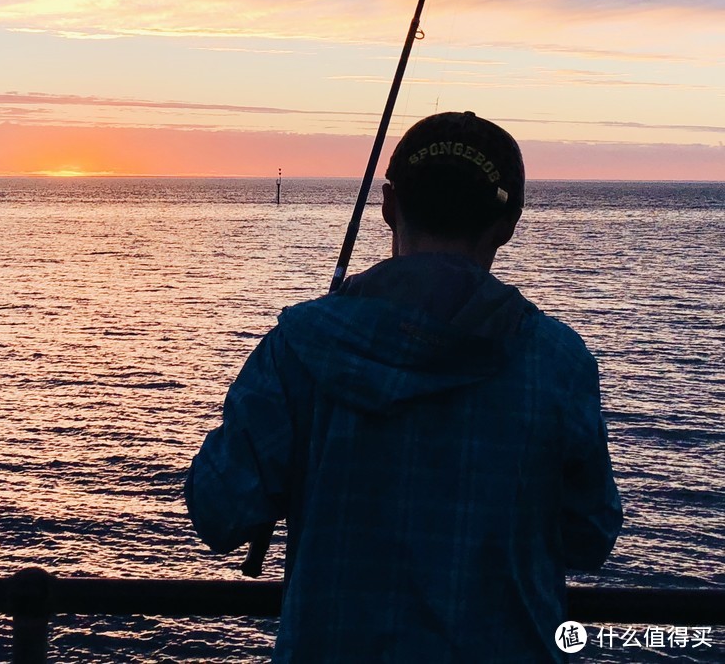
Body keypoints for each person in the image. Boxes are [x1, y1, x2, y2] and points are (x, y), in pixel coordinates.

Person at [185, 111, 622, 663]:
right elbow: (589, 537)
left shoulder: (300, 345)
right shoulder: (559, 362)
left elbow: (220, 513)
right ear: (508, 223)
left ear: (389, 205)